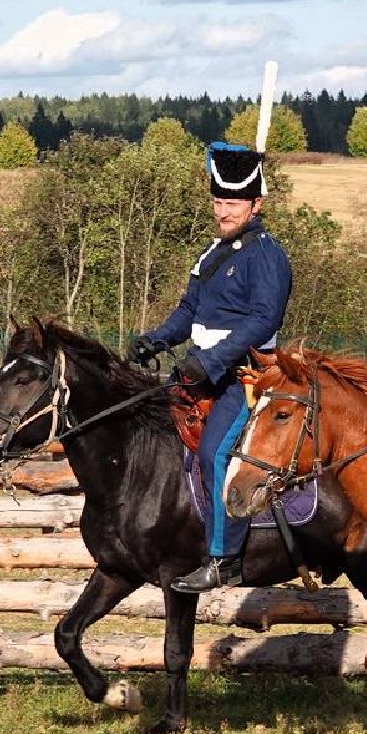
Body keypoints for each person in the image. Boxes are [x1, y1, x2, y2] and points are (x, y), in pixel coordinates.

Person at [130, 142, 292, 593]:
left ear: (256, 204)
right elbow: (189, 311)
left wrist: (211, 361)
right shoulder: (212, 253)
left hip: (245, 375)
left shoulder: (267, 255)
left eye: (232, 203)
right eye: (218, 202)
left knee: (215, 452)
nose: (223, 212)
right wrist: (156, 338)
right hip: (202, 370)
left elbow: (263, 322)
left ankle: (225, 558)